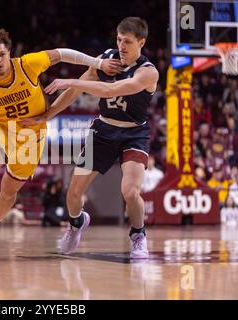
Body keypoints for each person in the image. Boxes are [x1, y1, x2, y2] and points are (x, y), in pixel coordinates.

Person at [0, 29, 121, 257]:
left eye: (1, 54)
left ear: (9, 53)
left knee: (8, 191)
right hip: (2, 129)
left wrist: (97, 62)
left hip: (30, 135)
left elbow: (63, 54)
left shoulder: (27, 65)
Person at [20, 17, 158, 258]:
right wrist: (47, 116)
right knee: (73, 194)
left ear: (141, 42)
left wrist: (70, 80)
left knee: (130, 192)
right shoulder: (106, 59)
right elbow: (75, 90)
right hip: (103, 131)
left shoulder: (148, 72)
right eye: (118, 39)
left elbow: (111, 90)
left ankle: (138, 234)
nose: (121, 46)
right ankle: (76, 223)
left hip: (134, 134)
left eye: (127, 41)